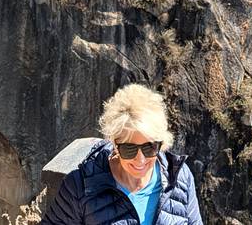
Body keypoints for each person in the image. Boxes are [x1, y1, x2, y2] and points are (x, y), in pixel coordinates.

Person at [41, 83, 203, 225]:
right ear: (115, 145)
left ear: (161, 144)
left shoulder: (180, 176)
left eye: (149, 148)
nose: (140, 159)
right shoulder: (80, 186)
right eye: (129, 149)